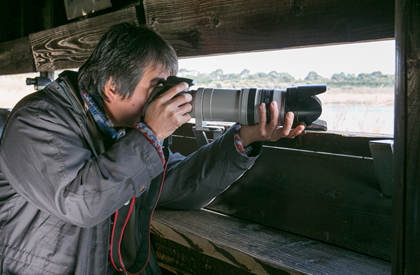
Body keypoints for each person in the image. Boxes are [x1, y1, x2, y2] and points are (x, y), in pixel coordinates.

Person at [0, 23, 304, 275]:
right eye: (157, 85)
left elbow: (176, 185)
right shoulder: (38, 121)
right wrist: (152, 133)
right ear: (112, 87)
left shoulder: (125, 130)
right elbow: (81, 203)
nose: (167, 96)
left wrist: (243, 139)